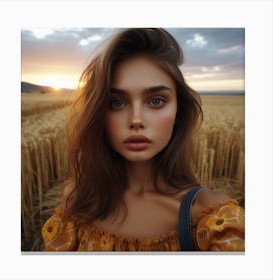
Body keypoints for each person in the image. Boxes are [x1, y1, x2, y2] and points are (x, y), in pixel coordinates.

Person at [41, 28, 245, 251]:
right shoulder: (78, 202)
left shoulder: (213, 220)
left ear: (179, 111)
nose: (136, 120)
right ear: (99, 113)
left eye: (156, 101)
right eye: (116, 103)